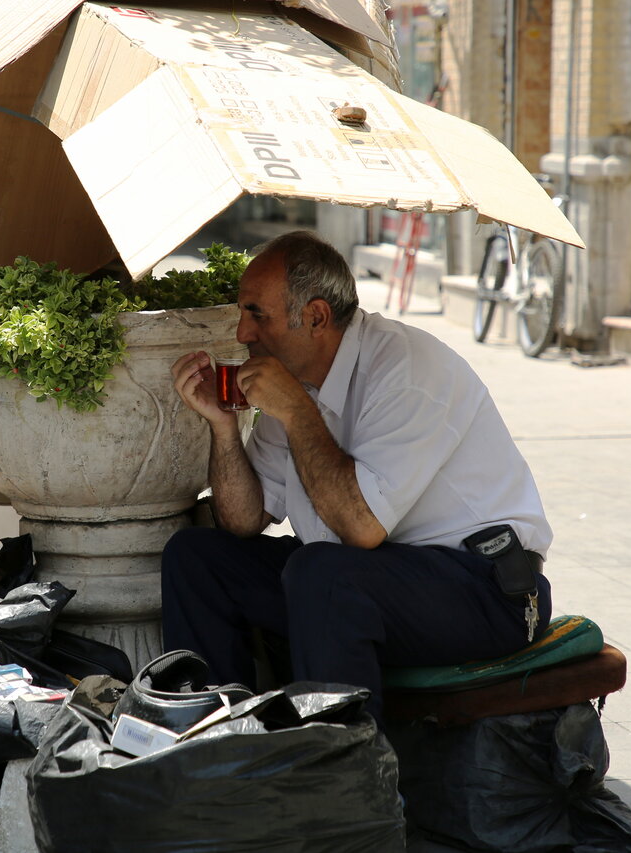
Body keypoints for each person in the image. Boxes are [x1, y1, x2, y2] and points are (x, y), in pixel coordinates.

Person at [162, 230, 553, 726]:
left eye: (256, 313)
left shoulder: (407, 366)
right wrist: (222, 426)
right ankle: (214, 744)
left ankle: (341, 778)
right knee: (197, 557)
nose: (242, 333)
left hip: (490, 590)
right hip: (375, 578)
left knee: (322, 573)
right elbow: (242, 520)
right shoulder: (294, 380)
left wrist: (297, 411)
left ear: (317, 316)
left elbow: (361, 527)